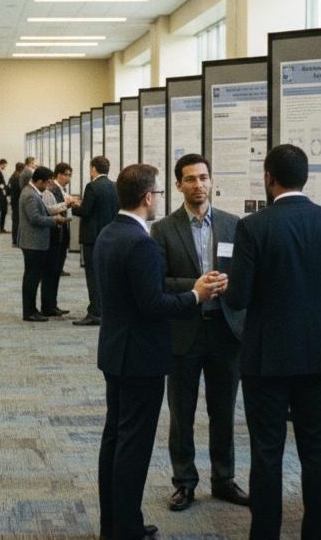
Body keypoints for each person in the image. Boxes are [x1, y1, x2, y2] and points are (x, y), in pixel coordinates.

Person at [223, 144, 321, 540]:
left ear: (269, 178)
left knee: (267, 454)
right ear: (306, 176)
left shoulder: (254, 226)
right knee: (317, 452)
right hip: (319, 352)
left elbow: (239, 298)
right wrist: (313, 298)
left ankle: (265, 534)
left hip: (267, 356)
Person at [94, 163, 226, 540]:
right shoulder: (142, 243)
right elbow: (152, 305)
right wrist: (196, 296)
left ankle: (115, 524)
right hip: (141, 358)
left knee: (115, 440)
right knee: (132, 446)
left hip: (116, 352)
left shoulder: (109, 233)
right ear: (148, 197)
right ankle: (128, 529)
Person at [149, 153, 248, 512]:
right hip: (183, 332)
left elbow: (246, 275)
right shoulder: (162, 229)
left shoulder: (233, 225)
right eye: (190, 179)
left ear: (211, 180)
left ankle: (224, 479)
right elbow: (157, 282)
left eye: (203, 177)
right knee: (182, 414)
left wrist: (229, 281)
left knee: (224, 412)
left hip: (225, 331)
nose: (198, 185)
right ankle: (184, 482)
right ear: (178, 185)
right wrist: (194, 285)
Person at [18, 166, 72, 322]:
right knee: (32, 278)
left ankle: (32, 309)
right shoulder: (30, 195)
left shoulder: (34, 192)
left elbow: (45, 210)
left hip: (35, 242)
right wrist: (55, 220)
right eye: (47, 182)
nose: (48, 185)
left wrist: (64, 206)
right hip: (33, 242)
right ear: (39, 181)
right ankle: (29, 312)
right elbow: (35, 218)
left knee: (33, 277)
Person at [71, 156, 119, 326]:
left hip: (93, 239)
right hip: (110, 236)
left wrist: (73, 205)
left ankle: (94, 312)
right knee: (106, 275)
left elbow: (85, 211)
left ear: (93, 169)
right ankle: (105, 309)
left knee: (92, 276)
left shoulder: (92, 186)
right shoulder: (114, 186)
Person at [42, 162, 75, 317]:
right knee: (50, 272)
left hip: (61, 235)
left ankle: (52, 304)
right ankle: (48, 306)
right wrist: (66, 205)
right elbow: (49, 211)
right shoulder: (50, 190)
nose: (68, 178)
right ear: (59, 174)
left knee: (56, 272)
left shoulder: (61, 189)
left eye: (70, 175)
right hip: (53, 236)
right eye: (67, 175)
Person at [8, 161, 25, 247]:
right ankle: (15, 240)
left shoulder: (13, 176)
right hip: (17, 202)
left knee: (15, 221)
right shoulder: (18, 177)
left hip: (14, 202)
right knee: (17, 222)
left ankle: (15, 240)